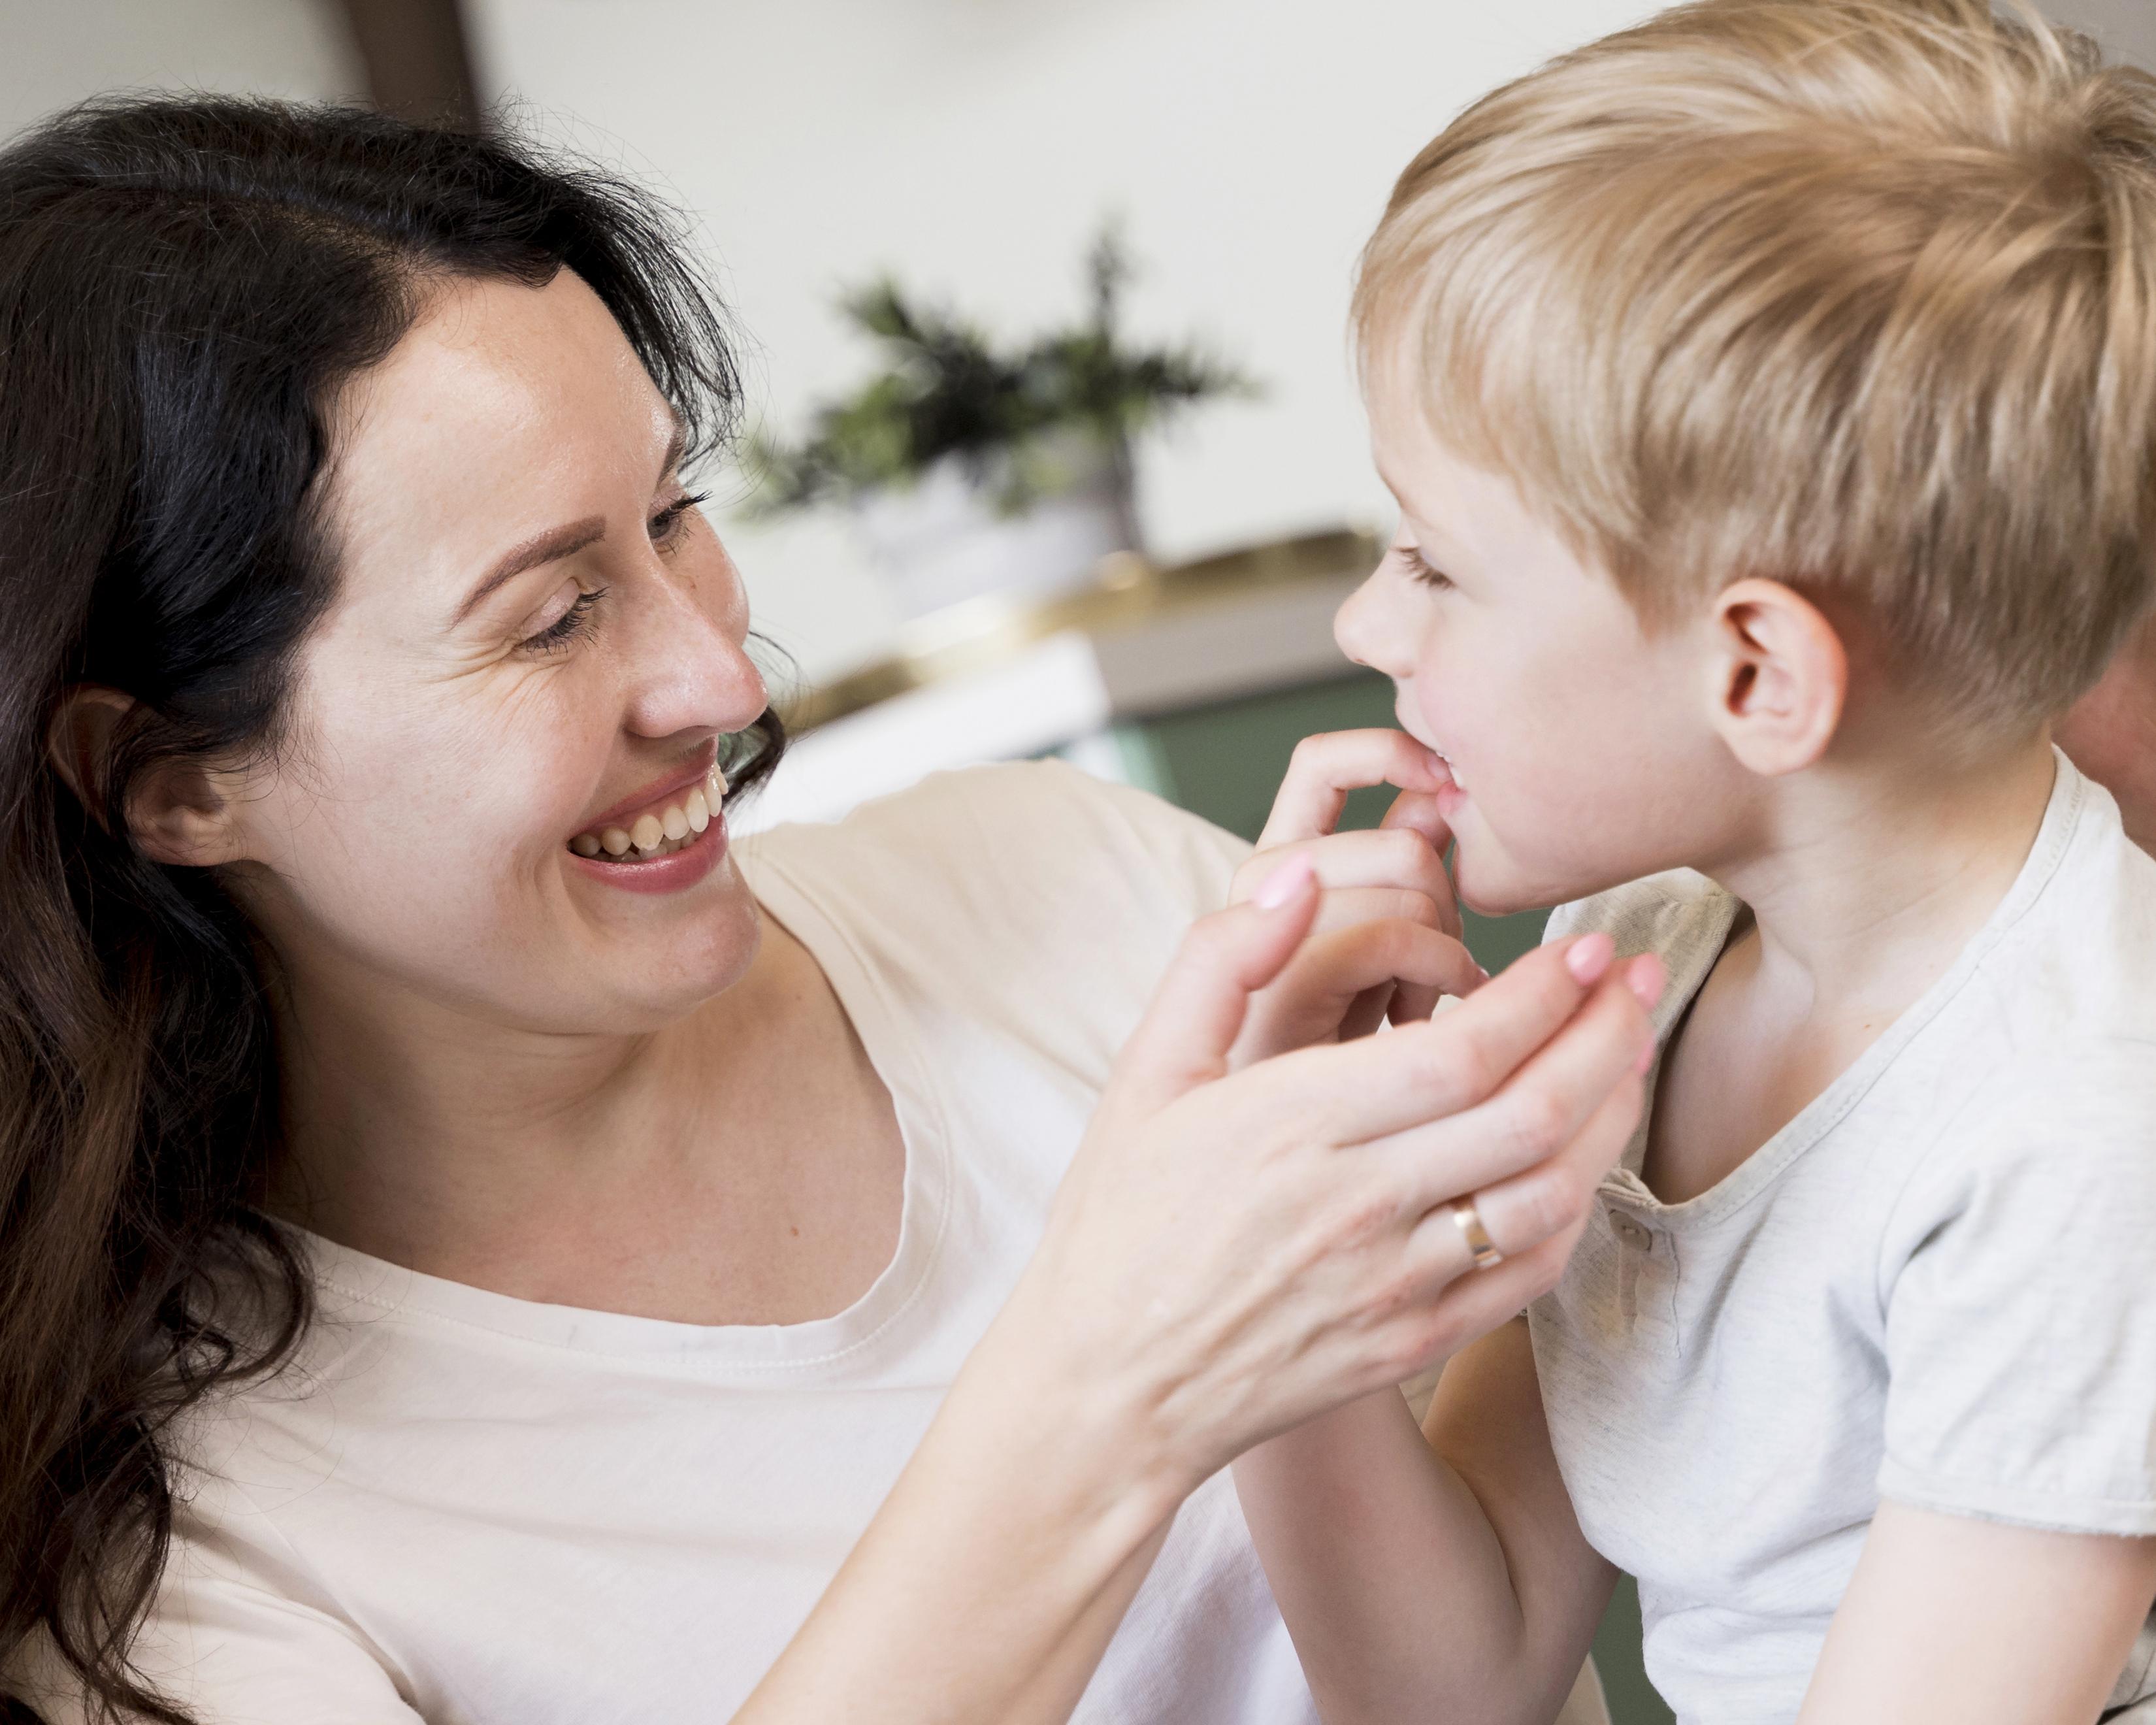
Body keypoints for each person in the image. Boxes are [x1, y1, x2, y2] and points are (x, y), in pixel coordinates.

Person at [0, 97, 1663, 1724]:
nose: (722, 677)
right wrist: (1113, 1378)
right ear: (168, 776)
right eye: (555, 615)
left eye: (673, 517)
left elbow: (1474, 1677)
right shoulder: (173, 1560)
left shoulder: (1078, 893)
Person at [1227, 3, 2156, 1722]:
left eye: (1432, 563)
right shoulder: (1644, 954)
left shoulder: (2071, 1137)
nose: (1366, 620)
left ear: (1754, 675)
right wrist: (1281, 1205)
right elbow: (1450, 1680)